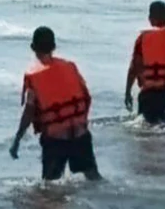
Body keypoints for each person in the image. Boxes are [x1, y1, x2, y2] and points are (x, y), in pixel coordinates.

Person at [9, 26, 102, 182]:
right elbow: (86, 97)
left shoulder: (36, 77)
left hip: (56, 140)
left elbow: (29, 111)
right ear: (54, 47)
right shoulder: (70, 67)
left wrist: (17, 139)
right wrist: (81, 122)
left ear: (32, 48)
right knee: (93, 178)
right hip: (80, 135)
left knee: (49, 187)